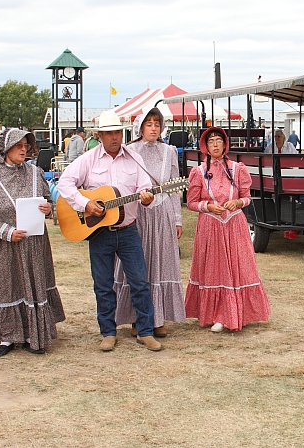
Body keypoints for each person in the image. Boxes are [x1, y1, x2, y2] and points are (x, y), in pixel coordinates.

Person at [57, 110, 162, 352]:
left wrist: (147, 198)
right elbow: (64, 183)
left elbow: (145, 188)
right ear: (100, 135)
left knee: (139, 282)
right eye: (109, 133)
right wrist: (85, 204)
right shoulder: (89, 159)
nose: (114, 137)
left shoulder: (134, 158)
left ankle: (145, 331)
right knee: (103, 284)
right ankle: (108, 332)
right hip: (99, 233)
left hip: (128, 230)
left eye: (117, 132)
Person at [0, 128, 65, 356]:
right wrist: (6, 231)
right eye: (18, 146)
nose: (24, 150)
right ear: (6, 149)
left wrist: (47, 208)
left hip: (33, 244)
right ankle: (7, 337)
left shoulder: (35, 173)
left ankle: (33, 333)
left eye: (26, 145)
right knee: (7, 286)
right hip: (3, 244)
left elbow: (46, 201)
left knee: (31, 284)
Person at [185, 127, 271, 332]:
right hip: (210, 226)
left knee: (237, 267)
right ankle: (216, 314)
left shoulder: (237, 169)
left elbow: (247, 197)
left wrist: (238, 203)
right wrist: (208, 207)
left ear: (225, 144)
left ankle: (235, 313)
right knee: (214, 269)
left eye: (218, 140)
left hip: (234, 224)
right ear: (205, 146)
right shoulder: (198, 171)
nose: (215, 144)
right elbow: (191, 202)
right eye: (211, 141)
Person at [114, 109, 185, 338]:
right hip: (138, 214)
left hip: (162, 212)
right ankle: (137, 317)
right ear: (140, 127)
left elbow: (173, 189)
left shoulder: (169, 151)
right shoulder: (130, 151)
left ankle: (158, 318)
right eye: (149, 124)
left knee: (161, 262)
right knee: (137, 266)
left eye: (157, 124)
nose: (154, 128)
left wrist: (177, 219)